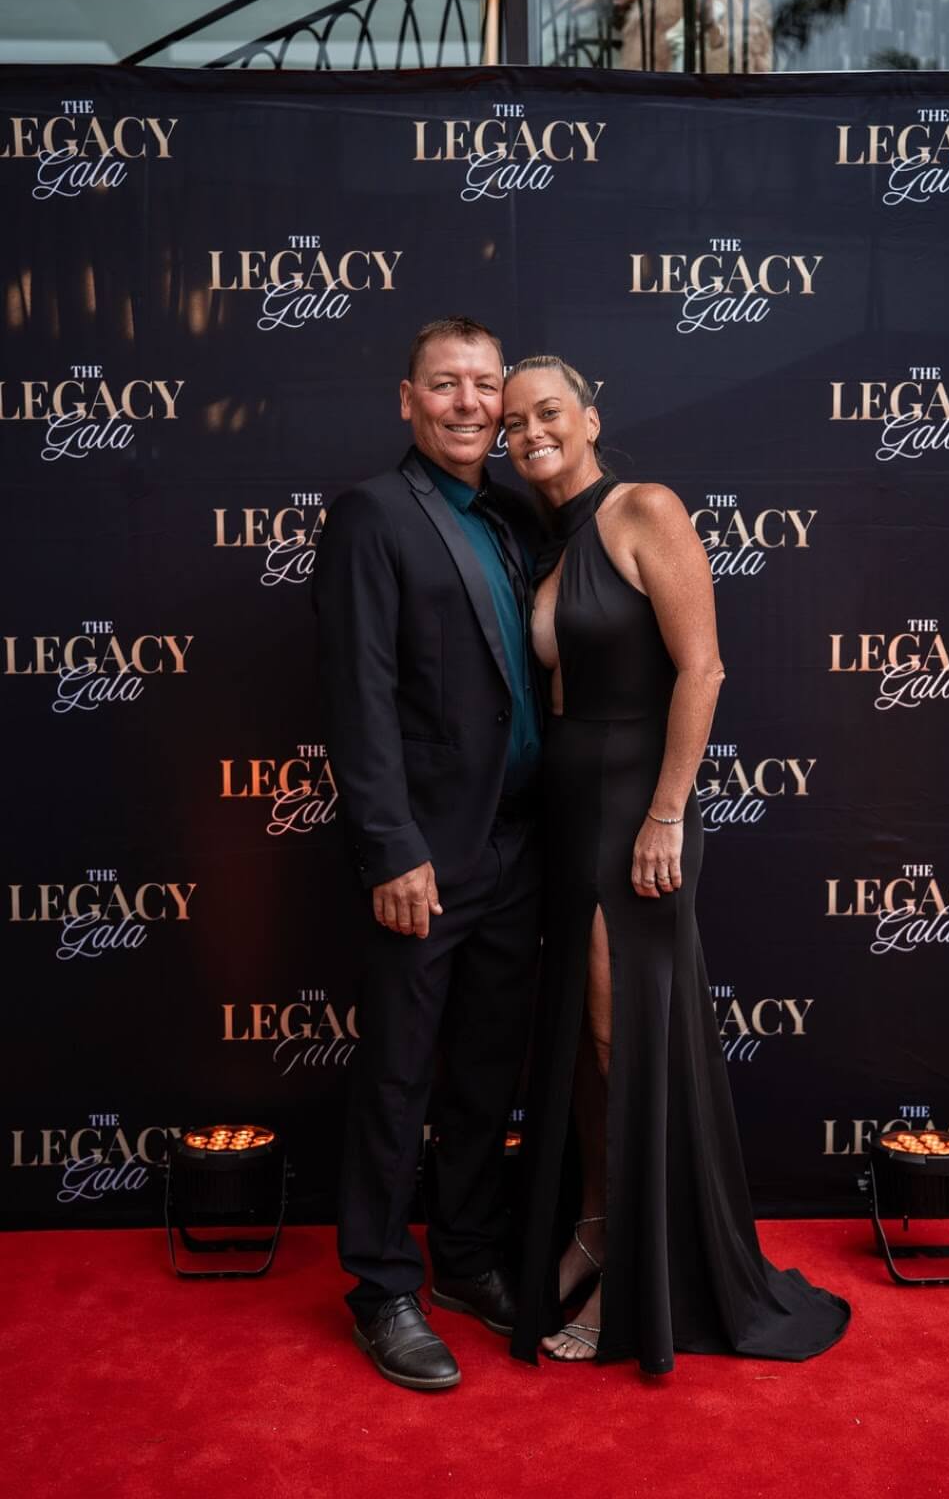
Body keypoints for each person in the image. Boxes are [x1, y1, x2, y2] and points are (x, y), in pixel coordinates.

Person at [501, 355, 850, 1372]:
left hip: (636, 811)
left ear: (590, 417)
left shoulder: (645, 509)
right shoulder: (546, 542)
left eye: (548, 412)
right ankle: (595, 1227)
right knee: (582, 1040)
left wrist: (666, 813)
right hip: (567, 811)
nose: (530, 433)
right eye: (514, 423)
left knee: (625, 1040)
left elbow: (703, 667)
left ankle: (640, 1270)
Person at [313, 317, 544, 1392]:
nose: (468, 403)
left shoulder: (512, 517)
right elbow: (356, 690)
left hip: (518, 844)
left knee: (488, 1071)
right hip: (424, 855)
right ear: (407, 400)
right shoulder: (372, 512)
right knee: (399, 1074)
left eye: (484, 385)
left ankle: (464, 1256)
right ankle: (380, 1286)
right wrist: (389, 845)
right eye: (445, 384)